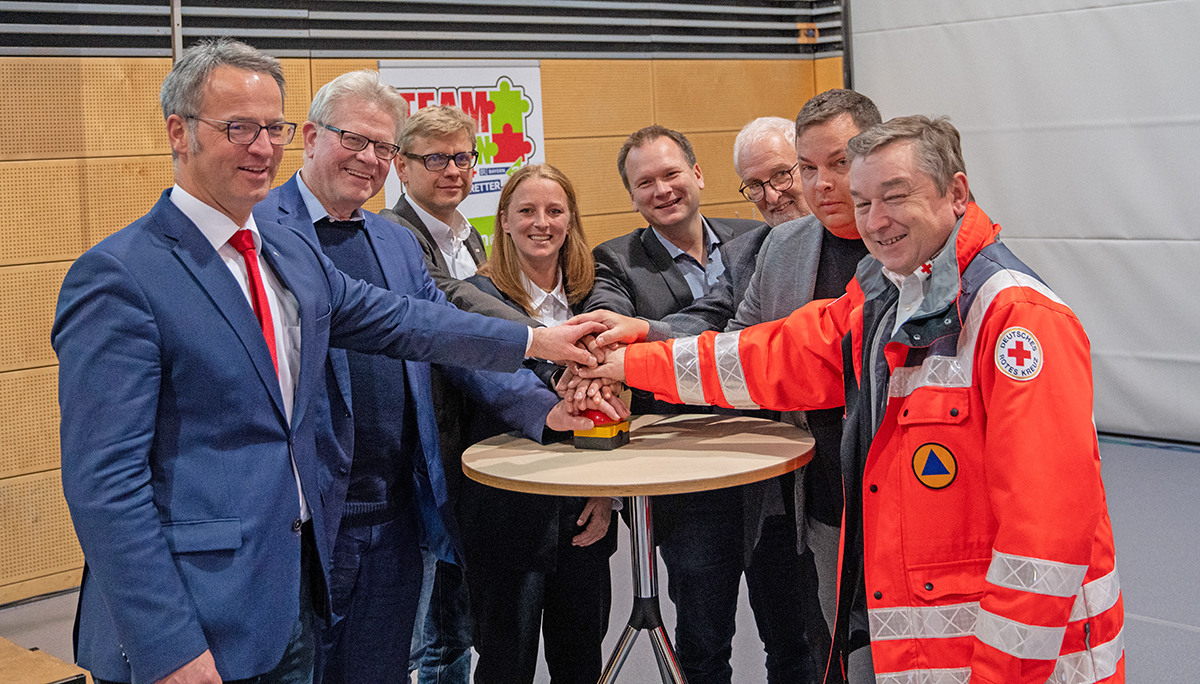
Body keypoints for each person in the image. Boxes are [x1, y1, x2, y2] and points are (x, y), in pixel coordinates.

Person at [52, 38, 601, 684]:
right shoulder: (119, 275)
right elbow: (105, 486)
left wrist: (536, 342)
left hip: (296, 594)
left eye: (271, 128)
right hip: (196, 620)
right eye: (238, 128)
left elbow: (408, 320)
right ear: (179, 132)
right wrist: (167, 646)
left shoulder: (285, 251)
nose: (261, 148)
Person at [584, 115, 1125, 684]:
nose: (876, 221)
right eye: (863, 202)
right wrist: (632, 355)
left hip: (1023, 665)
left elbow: (1043, 549)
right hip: (926, 655)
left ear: (957, 193)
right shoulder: (886, 294)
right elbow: (770, 356)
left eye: (895, 197)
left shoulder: (1019, 323)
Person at [252, 70, 578, 684]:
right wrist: (536, 338)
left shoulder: (393, 241)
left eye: (384, 146)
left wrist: (541, 408)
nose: (370, 158)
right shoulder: (261, 230)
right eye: (355, 140)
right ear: (311, 137)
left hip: (397, 511)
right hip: (303, 518)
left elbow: (447, 338)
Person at [575, 92, 883, 682]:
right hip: (803, 488)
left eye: (830, 165)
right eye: (808, 169)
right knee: (816, 641)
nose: (808, 188)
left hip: (894, 488)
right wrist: (628, 348)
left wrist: (634, 356)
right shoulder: (778, 246)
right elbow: (731, 339)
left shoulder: (900, 250)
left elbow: (771, 352)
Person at [576, 124, 763, 684]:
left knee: (794, 630)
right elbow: (615, 332)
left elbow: (761, 327)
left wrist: (652, 330)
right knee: (706, 640)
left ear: (698, 174)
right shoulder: (614, 261)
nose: (662, 190)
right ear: (632, 196)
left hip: (776, 461)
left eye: (671, 174)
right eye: (645, 183)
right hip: (689, 479)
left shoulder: (756, 240)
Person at [457, 163, 621, 684]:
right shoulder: (475, 298)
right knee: (507, 667)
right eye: (526, 211)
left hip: (583, 515)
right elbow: (486, 390)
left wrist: (606, 495)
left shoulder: (595, 298)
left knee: (580, 663)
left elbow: (615, 400)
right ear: (502, 220)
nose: (541, 223)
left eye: (554, 211)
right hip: (507, 519)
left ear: (570, 220)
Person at [379, 104, 534, 325]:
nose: (453, 171)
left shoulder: (471, 235)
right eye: (435, 159)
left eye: (462, 158)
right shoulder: (393, 233)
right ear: (402, 167)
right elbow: (453, 301)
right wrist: (540, 336)